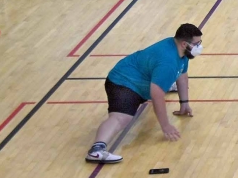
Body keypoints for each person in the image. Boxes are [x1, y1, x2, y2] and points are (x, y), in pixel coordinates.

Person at [86, 24, 204, 163]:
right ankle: (96, 150)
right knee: (121, 118)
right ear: (184, 44)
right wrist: (165, 125)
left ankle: (163, 82)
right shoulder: (168, 62)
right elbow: (156, 95)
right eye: (197, 43)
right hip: (124, 82)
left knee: (163, 80)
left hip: (144, 78)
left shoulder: (181, 51)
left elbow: (182, 75)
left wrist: (184, 103)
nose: (199, 46)